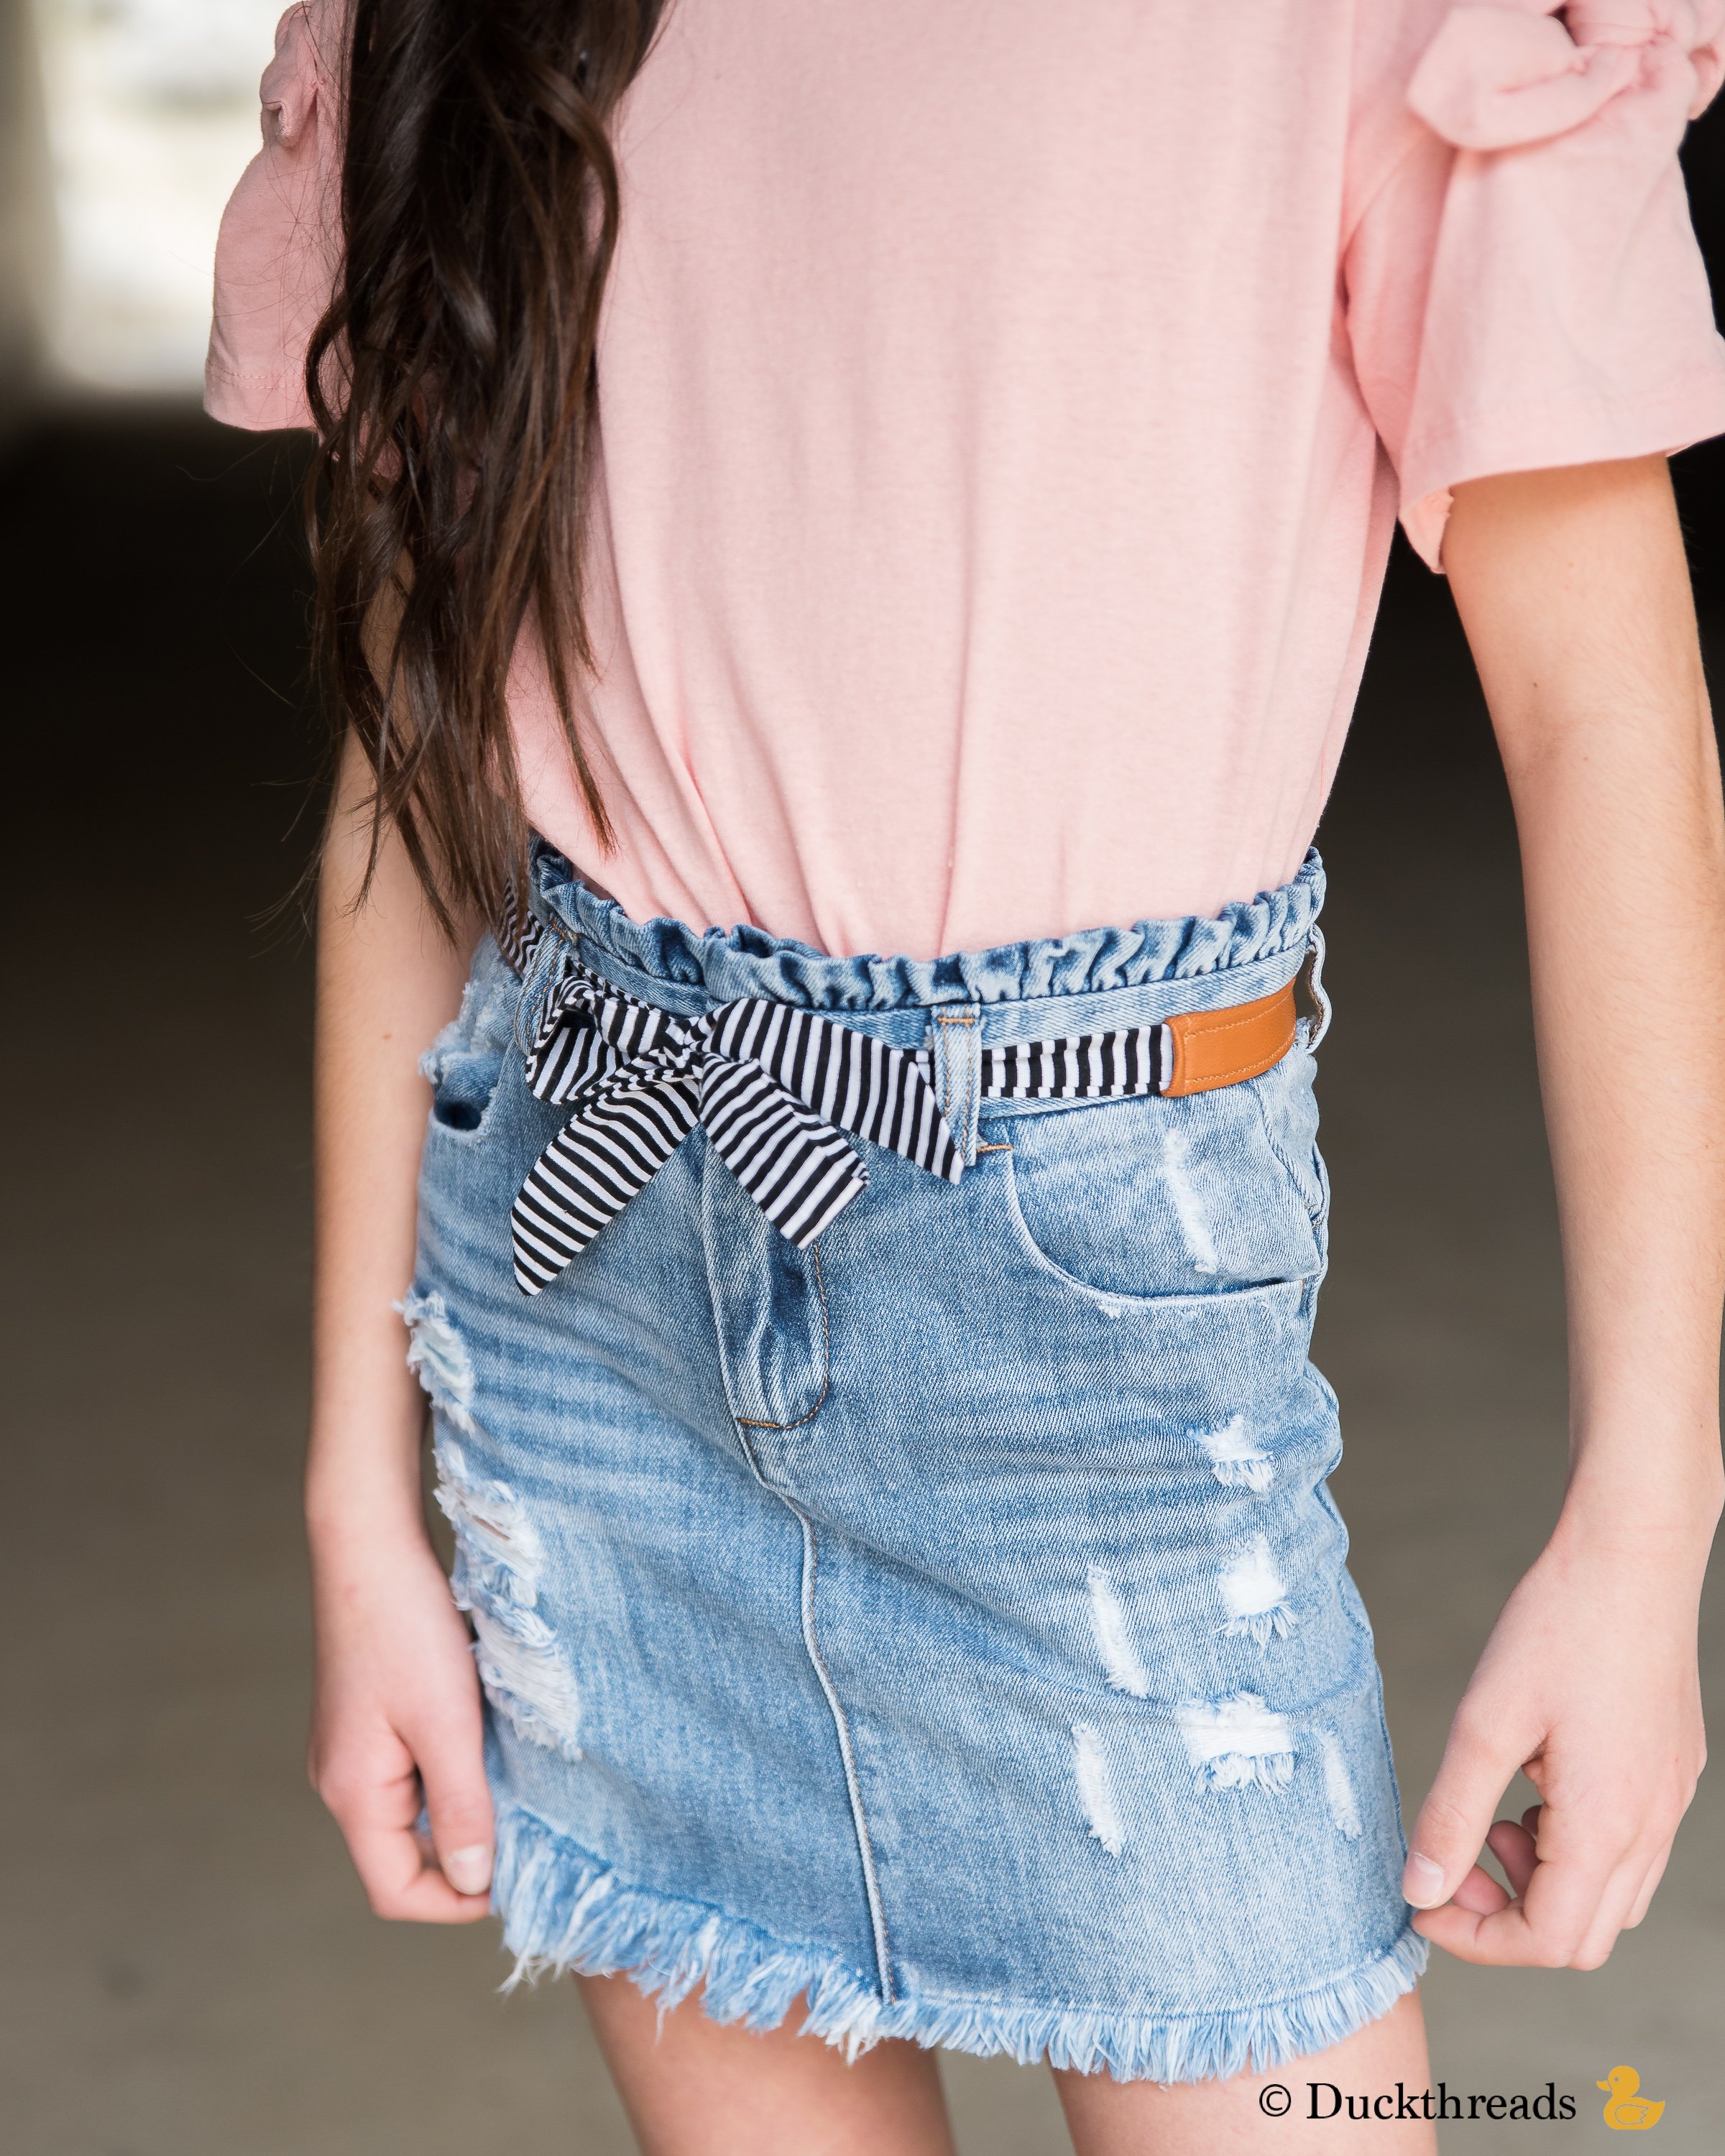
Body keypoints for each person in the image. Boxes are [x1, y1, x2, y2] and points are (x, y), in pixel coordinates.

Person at [206, 2, 1725, 2148]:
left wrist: (1650, 1516)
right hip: (591, 1308)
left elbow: (1606, 714)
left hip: (1089, 1337)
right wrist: (358, 1491)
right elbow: (421, 741)